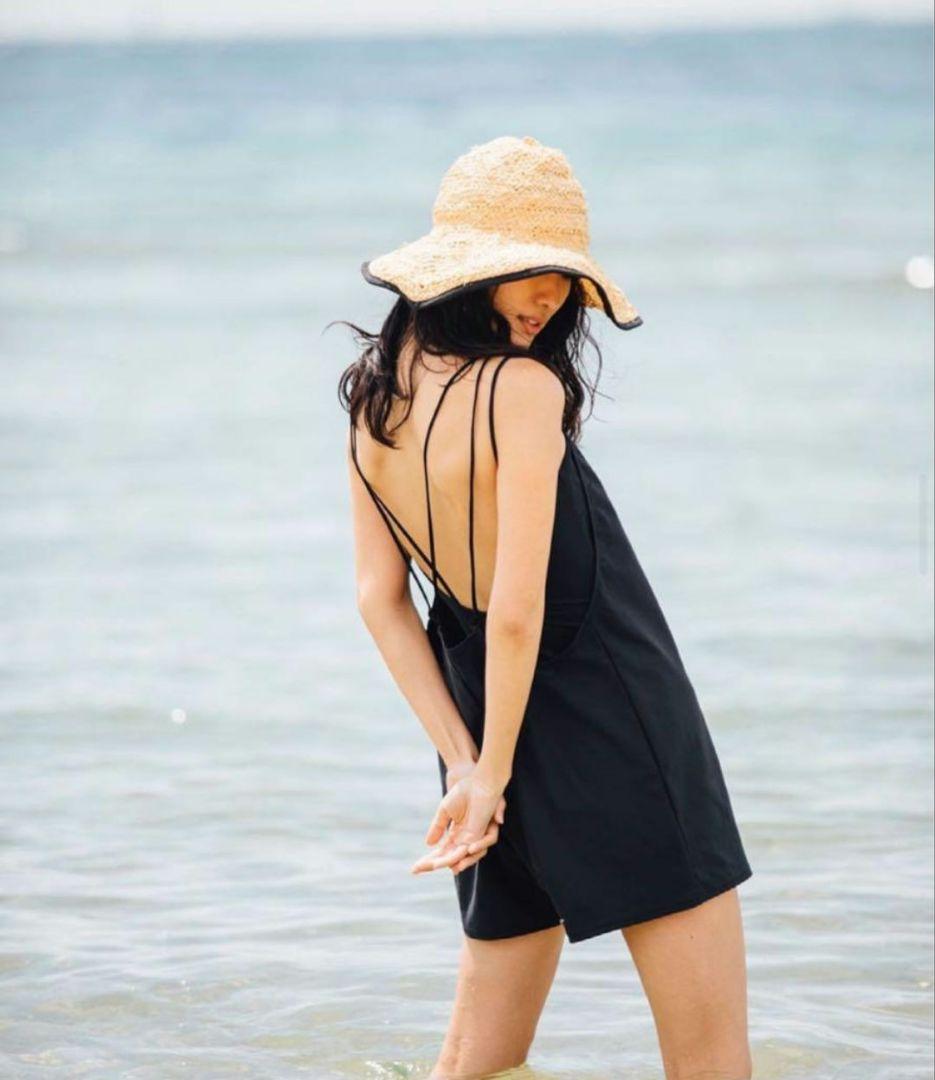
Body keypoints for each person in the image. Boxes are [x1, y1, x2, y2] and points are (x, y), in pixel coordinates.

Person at [337, 135, 754, 1080]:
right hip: (612, 716)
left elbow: (380, 601)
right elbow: (519, 608)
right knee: (711, 1062)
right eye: (533, 273)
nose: (552, 298)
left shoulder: (375, 401)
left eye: (564, 279)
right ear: (471, 272)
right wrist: (484, 771)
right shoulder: (521, 389)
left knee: (475, 1062)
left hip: (481, 723)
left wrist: (468, 763)